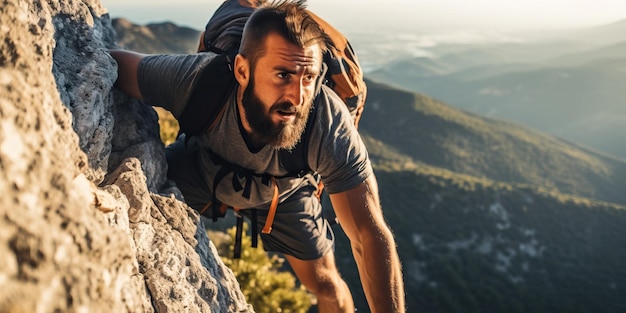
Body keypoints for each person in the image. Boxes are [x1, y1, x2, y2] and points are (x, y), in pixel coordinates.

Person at [110, 1, 405, 312]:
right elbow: (114, 64)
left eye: (308, 78)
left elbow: (367, 234)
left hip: (285, 194)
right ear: (242, 70)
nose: (297, 96)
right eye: (283, 75)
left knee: (327, 285)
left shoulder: (326, 122)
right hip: (203, 169)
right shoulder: (199, 82)